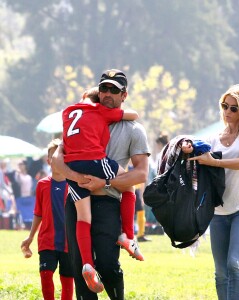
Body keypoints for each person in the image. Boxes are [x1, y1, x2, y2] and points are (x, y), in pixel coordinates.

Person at [52, 68, 150, 300]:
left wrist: (103, 182)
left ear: (123, 95)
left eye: (113, 90)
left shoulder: (133, 130)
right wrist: (77, 178)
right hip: (76, 200)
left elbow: (141, 175)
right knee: (80, 270)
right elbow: (57, 161)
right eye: (103, 88)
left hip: (109, 201)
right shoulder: (82, 117)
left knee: (107, 265)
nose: (107, 94)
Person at [183, 84, 239, 300]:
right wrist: (187, 147)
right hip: (217, 213)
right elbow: (197, 148)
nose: (227, 111)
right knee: (220, 271)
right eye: (224, 106)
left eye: (233, 108)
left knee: (233, 263)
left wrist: (214, 162)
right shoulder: (214, 138)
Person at [20, 139, 74, 300]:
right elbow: (38, 213)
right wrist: (30, 237)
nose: (56, 159)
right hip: (47, 240)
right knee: (45, 275)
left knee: (67, 280)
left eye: (60, 156)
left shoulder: (73, 185)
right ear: (48, 160)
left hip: (68, 242)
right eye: (53, 156)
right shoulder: (42, 185)